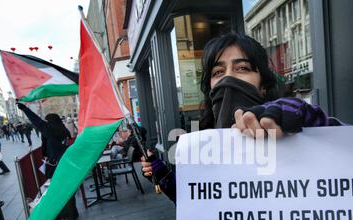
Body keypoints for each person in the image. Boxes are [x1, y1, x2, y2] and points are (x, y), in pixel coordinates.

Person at [141, 32, 341, 204]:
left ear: (263, 85)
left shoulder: (287, 125)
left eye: (242, 68)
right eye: (218, 72)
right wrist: (161, 172)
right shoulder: (201, 141)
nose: (228, 78)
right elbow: (194, 205)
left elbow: (349, 155)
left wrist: (306, 117)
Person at [16, 102, 78, 220]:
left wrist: (24, 109)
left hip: (58, 165)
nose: (46, 123)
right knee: (65, 189)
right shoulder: (62, 129)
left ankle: (69, 215)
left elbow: (37, 122)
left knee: (61, 191)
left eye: (47, 121)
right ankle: (71, 213)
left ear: (50, 122)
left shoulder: (51, 130)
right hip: (65, 163)